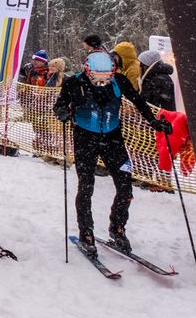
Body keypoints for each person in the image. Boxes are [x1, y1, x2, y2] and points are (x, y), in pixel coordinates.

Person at [53, 50, 171, 258]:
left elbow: (138, 101)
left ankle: (117, 227)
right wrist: (62, 112)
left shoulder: (119, 81)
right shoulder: (74, 82)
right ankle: (86, 232)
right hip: (85, 139)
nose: (101, 83)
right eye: (96, 79)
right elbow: (59, 105)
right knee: (86, 186)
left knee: (125, 187)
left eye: (106, 78)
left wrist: (154, 122)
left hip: (112, 139)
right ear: (88, 72)